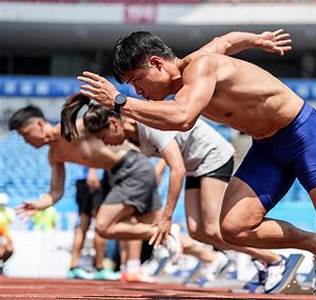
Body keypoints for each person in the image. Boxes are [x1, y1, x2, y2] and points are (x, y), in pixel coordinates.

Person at [78, 30, 316, 298]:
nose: (137, 91)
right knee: (233, 228)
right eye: (129, 87)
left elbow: (183, 118)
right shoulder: (200, 60)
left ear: (157, 64)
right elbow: (226, 40)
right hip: (267, 147)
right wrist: (257, 39)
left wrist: (121, 103)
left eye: (136, 81)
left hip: (303, 135)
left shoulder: (200, 69)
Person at [71, 101, 285, 287]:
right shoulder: (130, 136)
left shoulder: (149, 125)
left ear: (114, 124)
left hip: (212, 156)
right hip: (195, 164)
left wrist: (166, 216)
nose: (105, 143)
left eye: (103, 136)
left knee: (214, 227)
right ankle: (260, 259)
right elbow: (171, 155)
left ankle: (273, 259)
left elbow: (178, 169)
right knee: (197, 232)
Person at [10, 105, 161, 283]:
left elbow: (102, 117)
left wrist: (124, 113)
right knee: (186, 229)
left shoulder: (72, 128)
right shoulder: (55, 155)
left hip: (132, 167)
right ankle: (196, 252)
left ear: (40, 124)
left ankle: (156, 238)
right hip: (116, 175)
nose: (26, 140)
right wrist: (38, 204)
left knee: (104, 226)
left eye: (26, 133)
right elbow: (56, 192)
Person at [68, 168, 119, 280]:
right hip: (96, 180)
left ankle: (73, 266)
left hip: (81, 179)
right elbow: (93, 151)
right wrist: (93, 171)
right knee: (100, 223)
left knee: (83, 225)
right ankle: (99, 267)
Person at [0, 194, 15, 275]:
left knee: (9, 249)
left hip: (4, 234)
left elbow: (11, 221)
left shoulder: (8, 211)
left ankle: (1, 265)